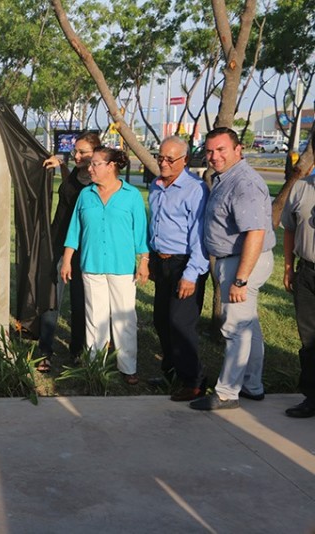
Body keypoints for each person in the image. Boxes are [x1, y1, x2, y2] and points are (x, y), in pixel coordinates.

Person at [190, 127, 275, 411]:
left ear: (238, 149)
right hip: (236, 260)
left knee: (235, 328)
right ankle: (253, 385)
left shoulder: (244, 183)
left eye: (221, 150)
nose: (214, 156)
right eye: (210, 150)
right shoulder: (226, 178)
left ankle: (227, 393)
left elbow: (255, 233)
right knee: (248, 324)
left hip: (242, 262)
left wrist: (240, 279)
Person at [61, 146, 149, 384]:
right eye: (90, 165)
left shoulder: (131, 195)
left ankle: (128, 367)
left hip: (121, 267)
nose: (89, 169)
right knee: (94, 316)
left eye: (95, 164)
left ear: (111, 166)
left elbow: (140, 232)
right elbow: (74, 229)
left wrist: (144, 261)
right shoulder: (85, 195)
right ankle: (95, 364)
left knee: (124, 318)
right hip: (91, 265)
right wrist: (68, 258)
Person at [147, 136, 209, 401]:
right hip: (160, 262)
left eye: (170, 159)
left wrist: (191, 275)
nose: (163, 163)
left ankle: (193, 381)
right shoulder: (155, 186)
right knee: (161, 321)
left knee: (180, 323)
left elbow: (199, 236)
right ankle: (170, 374)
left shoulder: (195, 189)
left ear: (184, 160)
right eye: (160, 157)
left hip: (184, 263)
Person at [38, 131, 101, 371]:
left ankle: (77, 351)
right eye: (75, 151)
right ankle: (45, 350)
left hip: (84, 247)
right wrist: (62, 164)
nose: (77, 155)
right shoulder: (76, 172)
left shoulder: (99, 180)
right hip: (59, 241)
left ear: (96, 152)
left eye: (83, 152)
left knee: (80, 299)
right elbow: (70, 189)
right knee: (52, 297)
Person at [281, 170, 315, 418]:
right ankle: (311, 396)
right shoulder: (301, 188)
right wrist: (288, 267)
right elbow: (290, 229)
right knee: (309, 339)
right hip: (306, 272)